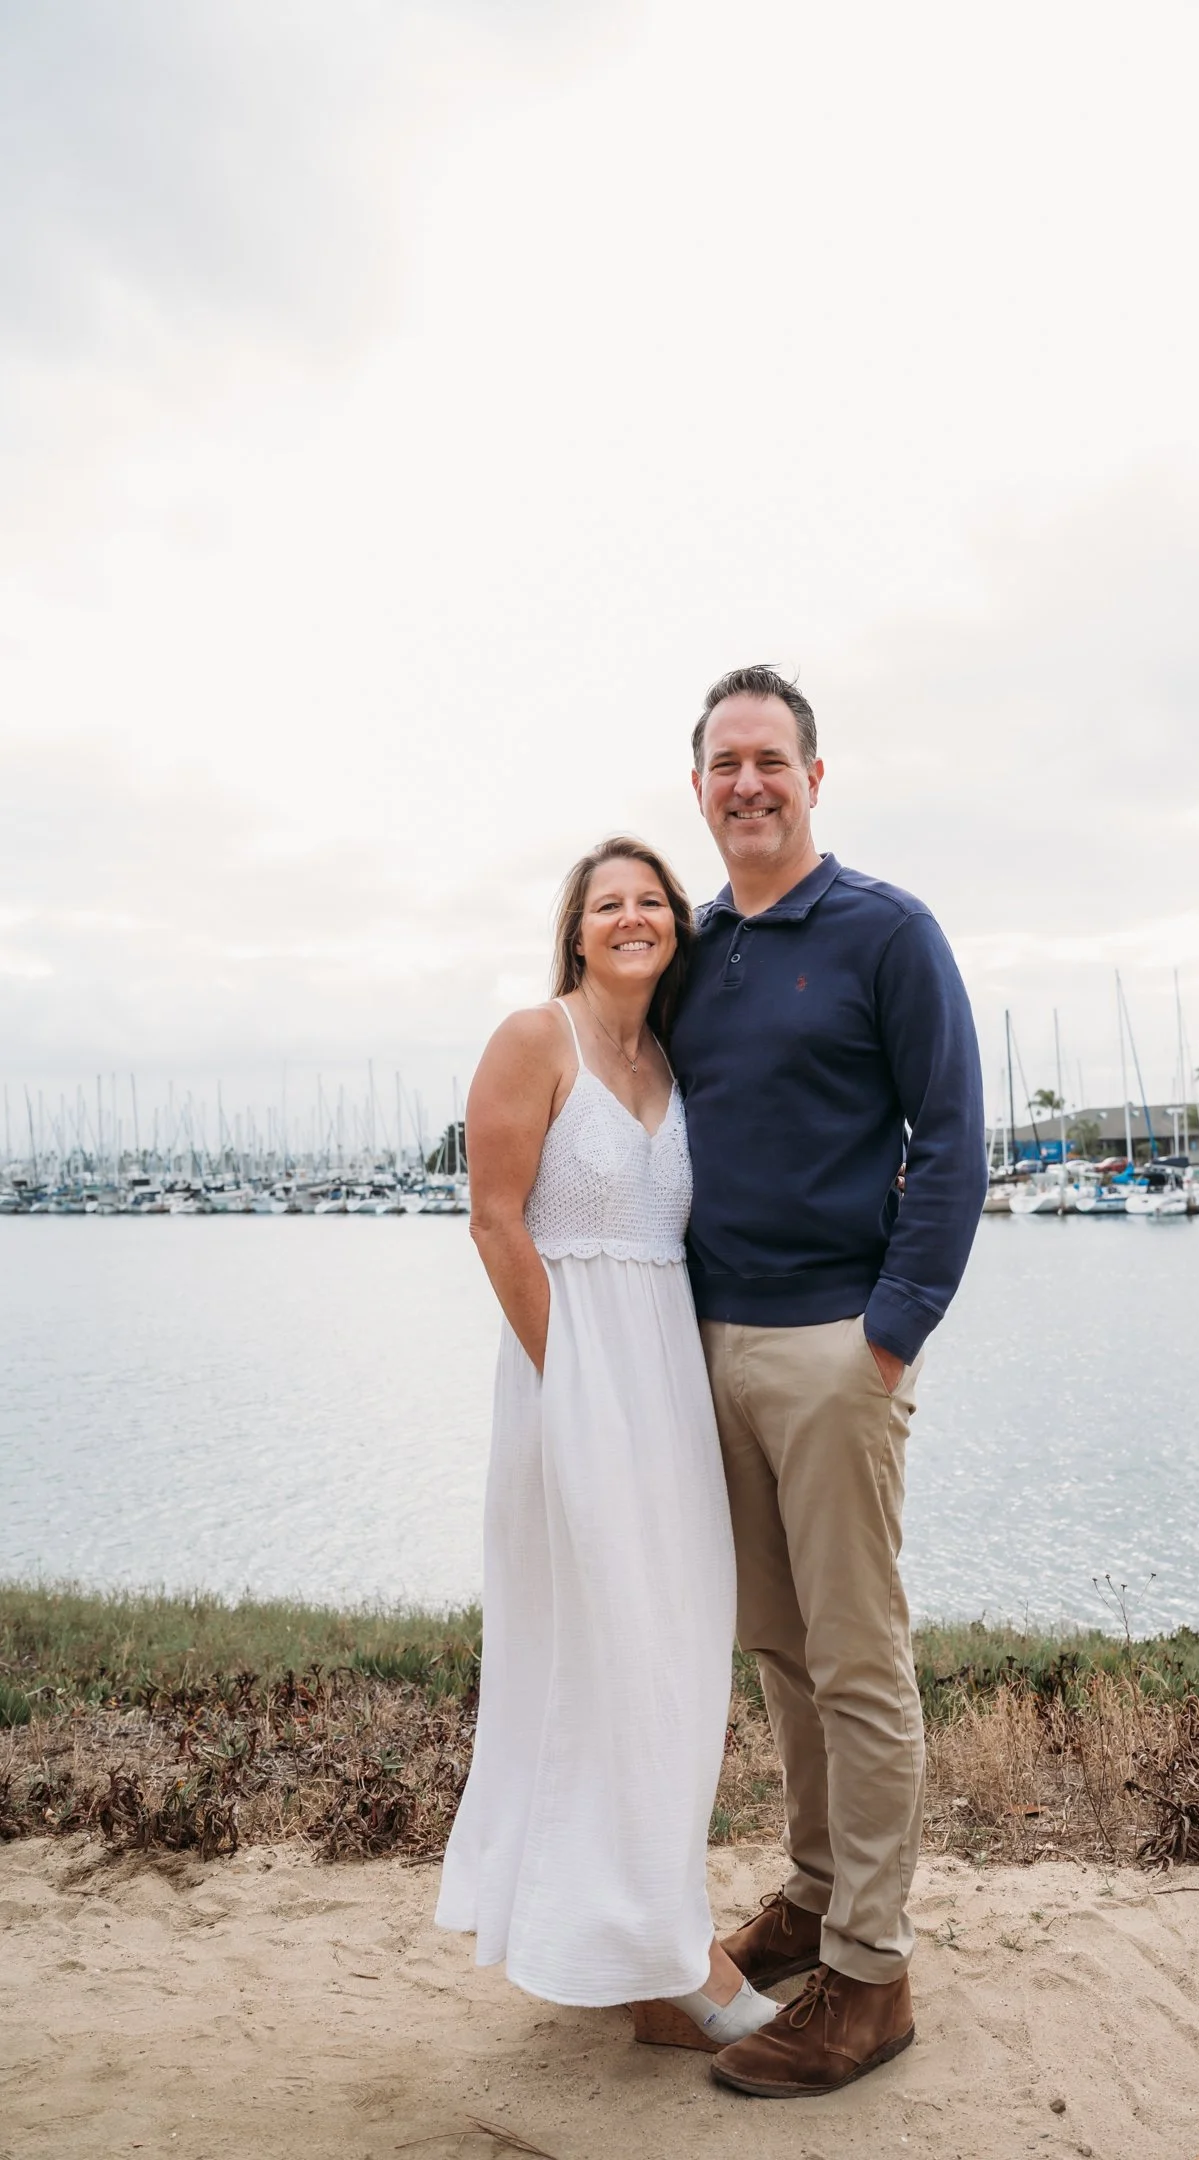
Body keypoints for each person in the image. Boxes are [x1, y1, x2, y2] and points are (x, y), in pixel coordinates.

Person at [668, 664, 988, 2098]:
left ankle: (872, 1976)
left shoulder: (885, 931)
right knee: (781, 1653)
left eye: (771, 760)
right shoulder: (684, 950)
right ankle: (813, 1894)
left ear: (812, 777)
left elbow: (955, 1136)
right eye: (724, 762)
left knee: (859, 1662)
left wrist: (893, 1327)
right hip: (708, 1350)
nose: (748, 783)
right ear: (698, 787)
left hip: (833, 1350)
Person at [435, 837, 777, 2051]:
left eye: (651, 902)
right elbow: (494, 1223)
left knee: (677, 1664)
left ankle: (643, 1944)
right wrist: (568, 1383)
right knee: (604, 1658)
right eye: (606, 904)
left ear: (675, 926)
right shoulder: (538, 1038)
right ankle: (671, 1965)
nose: (632, 918)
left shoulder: (670, 1055)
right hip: (573, 1384)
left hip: (666, 1386)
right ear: (576, 931)